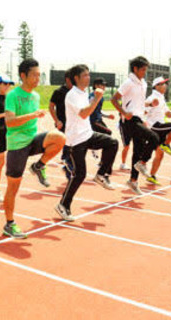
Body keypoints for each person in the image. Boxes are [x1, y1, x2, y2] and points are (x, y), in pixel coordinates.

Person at [3, 58, 65, 238]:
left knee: (59, 138)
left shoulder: (36, 96)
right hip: (17, 145)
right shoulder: (13, 95)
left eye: (39, 75)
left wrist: (34, 116)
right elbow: (9, 122)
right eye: (35, 75)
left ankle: (38, 166)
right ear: (23, 76)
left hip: (33, 140)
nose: (38, 78)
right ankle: (9, 224)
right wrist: (33, 115)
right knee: (13, 188)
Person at [56, 65, 118, 221]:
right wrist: (96, 99)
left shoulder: (83, 93)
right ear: (76, 78)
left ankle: (101, 174)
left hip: (87, 135)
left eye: (89, 75)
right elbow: (84, 114)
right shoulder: (72, 95)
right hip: (75, 140)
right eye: (85, 75)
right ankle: (63, 205)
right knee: (79, 175)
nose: (88, 78)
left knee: (112, 142)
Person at [111, 56, 159, 195]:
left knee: (137, 150)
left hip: (139, 119)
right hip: (130, 121)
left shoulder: (143, 84)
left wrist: (150, 104)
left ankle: (133, 181)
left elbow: (138, 103)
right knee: (154, 138)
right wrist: (123, 113)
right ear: (135, 69)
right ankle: (143, 163)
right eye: (143, 69)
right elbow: (114, 99)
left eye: (146, 69)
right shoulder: (128, 83)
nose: (145, 72)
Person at [145, 77, 171, 185]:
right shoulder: (153, 97)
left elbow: (168, 114)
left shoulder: (162, 98)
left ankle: (151, 176)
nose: (165, 86)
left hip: (160, 126)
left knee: (159, 155)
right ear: (156, 86)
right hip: (155, 126)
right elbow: (144, 108)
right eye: (163, 84)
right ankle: (166, 144)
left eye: (165, 84)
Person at [49, 69, 73, 178]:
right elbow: (51, 106)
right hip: (63, 123)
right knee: (68, 144)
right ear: (68, 79)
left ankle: (67, 163)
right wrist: (56, 120)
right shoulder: (59, 92)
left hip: (74, 124)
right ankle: (68, 167)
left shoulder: (75, 92)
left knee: (72, 144)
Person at [89, 77, 115, 160]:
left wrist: (108, 116)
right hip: (93, 121)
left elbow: (99, 110)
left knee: (107, 136)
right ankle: (93, 147)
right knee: (108, 133)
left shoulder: (101, 96)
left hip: (99, 120)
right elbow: (89, 108)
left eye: (104, 85)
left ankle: (101, 158)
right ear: (96, 85)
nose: (104, 87)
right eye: (102, 85)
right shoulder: (92, 96)